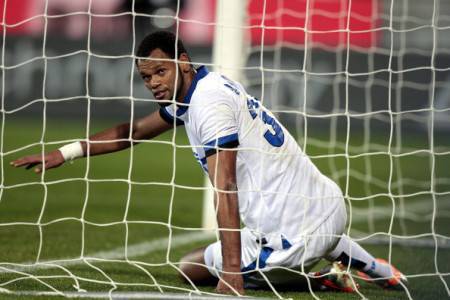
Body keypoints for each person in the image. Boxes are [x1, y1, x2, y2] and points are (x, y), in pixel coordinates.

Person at [11, 31, 407, 295]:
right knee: (224, 252)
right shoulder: (201, 88)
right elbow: (132, 131)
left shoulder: (208, 105)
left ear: (183, 61)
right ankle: (372, 265)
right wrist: (66, 153)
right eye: (146, 77)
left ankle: (319, 279)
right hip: (326, 205)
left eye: (160, 71)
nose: (154, 84)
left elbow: (226, 185)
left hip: (297, 231)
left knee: (191, 268)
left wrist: (232, 270)